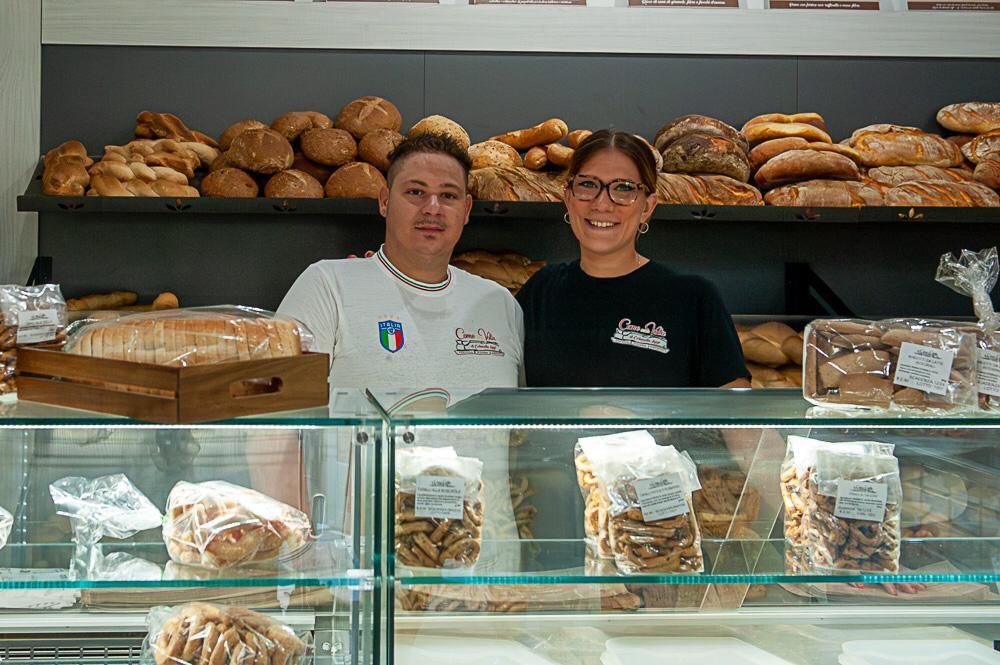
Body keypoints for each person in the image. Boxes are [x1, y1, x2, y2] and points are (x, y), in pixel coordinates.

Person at [277, 133, 523, 393]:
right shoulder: (327, 286)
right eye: (415, 192)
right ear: (385, 202)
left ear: (467, 210)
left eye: (448, 195)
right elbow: (277, 404)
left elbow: (522, 417)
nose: (432, 208)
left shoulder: (500, 303)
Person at [516, 129, 749, 388]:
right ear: (569, 198)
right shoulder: (540, 292)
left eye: (623, 188)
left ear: (647, 207)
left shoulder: (692, 297)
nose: (602, 204)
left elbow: (735, 408)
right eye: (588, 185)